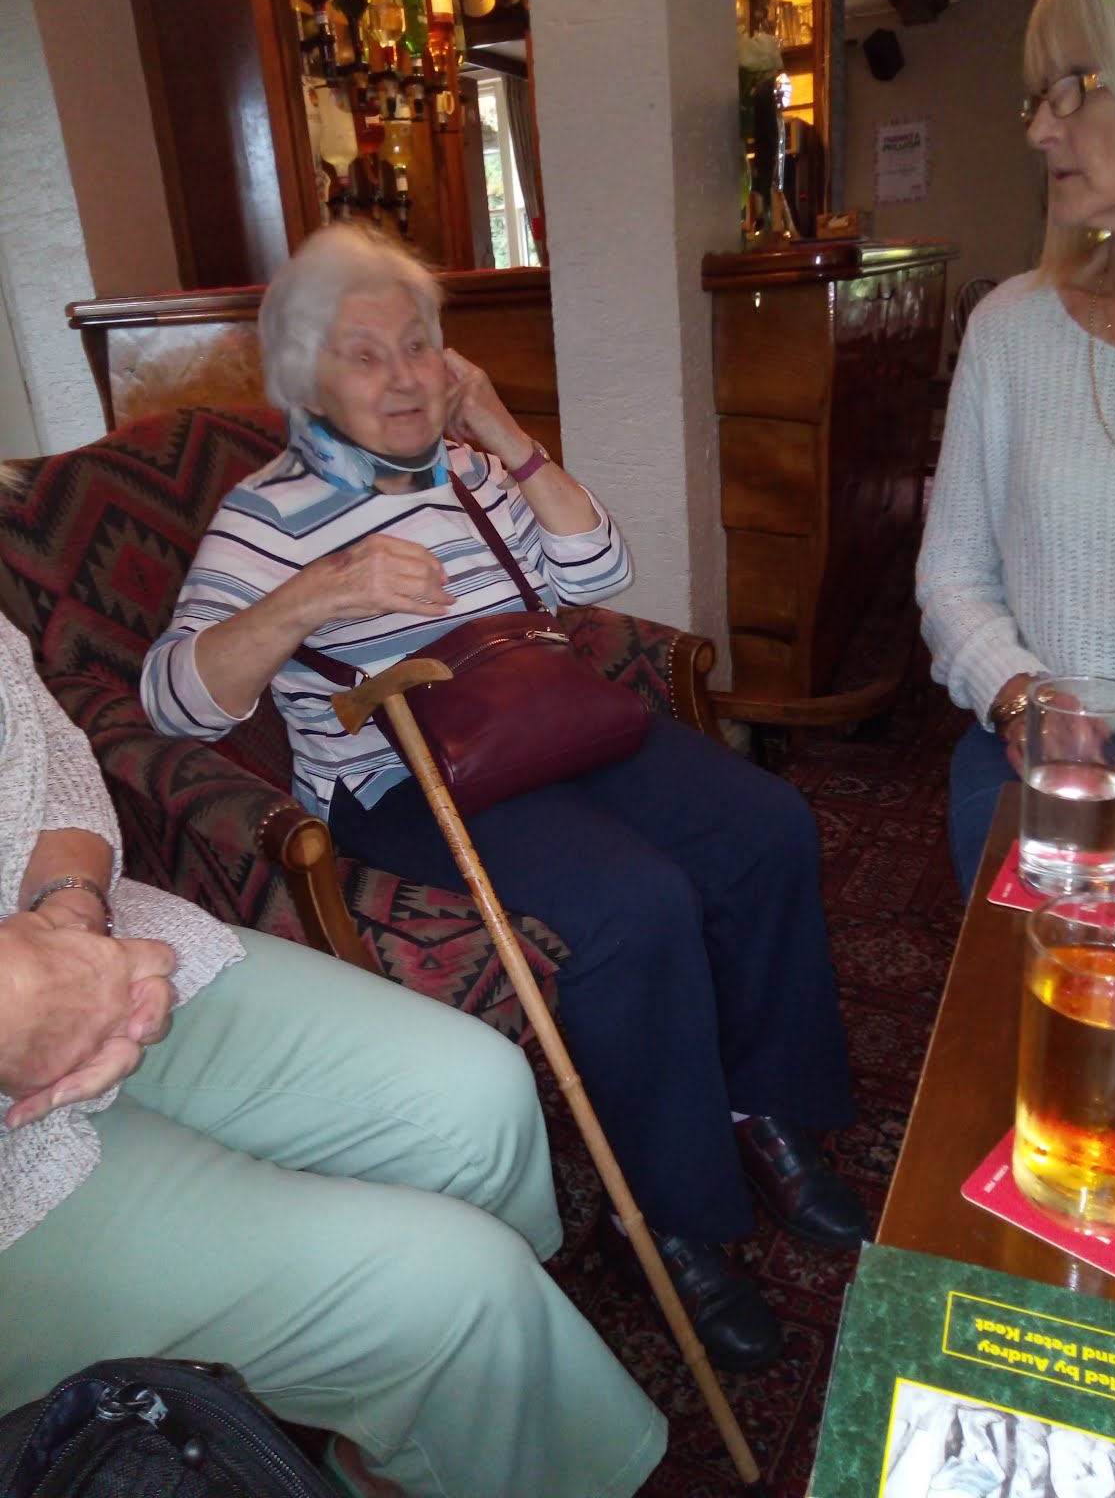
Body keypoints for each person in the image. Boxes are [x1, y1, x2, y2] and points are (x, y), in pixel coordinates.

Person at [142, 222, 868, 1374]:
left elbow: (596, 575)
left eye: (421, 346)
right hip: (410, 769)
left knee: (764, 825)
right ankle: (669, 1217)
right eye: (365, 354)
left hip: (550, 717)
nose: (404, 376)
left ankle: (759, 1113)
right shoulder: (262, 518)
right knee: (634, 904)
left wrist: (503, 429)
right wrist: (315, 596)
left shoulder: (474, 469)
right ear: (304, 378)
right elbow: (177, 698)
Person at [0, 614, 667, 1498]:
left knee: (476, 1098)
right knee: (460, 1292)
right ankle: (459, 1365)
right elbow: (182, 693)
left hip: (108, 945)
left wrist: (72, 921)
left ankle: (411, 1443)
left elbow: (41, 755)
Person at [916, 0, 1115, 900]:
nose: (1038, 128)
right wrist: (1020, 694)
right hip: (1039, 762)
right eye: (1036, 96)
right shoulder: (1009, 329)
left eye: (1072, 90)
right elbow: (950, 575)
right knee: (1037, 1035)